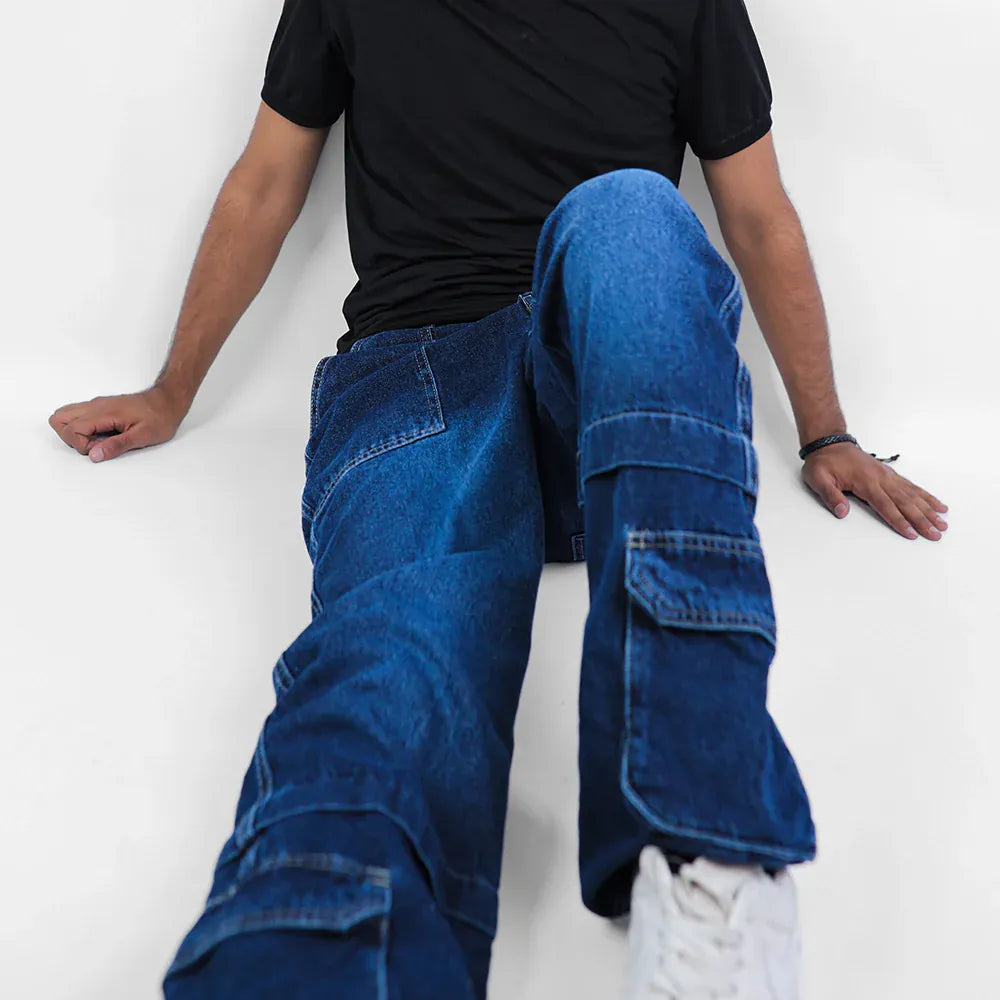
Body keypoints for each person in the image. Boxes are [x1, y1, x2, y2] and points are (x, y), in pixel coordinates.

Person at [48, 1, 949, 997]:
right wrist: (170, 391)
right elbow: (266, 181)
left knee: (632, 211)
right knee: (395, 654)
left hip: (606, 391)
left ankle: (711, 861)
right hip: (419, 372)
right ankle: (327, 957)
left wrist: (826, 432)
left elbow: (757, 213)